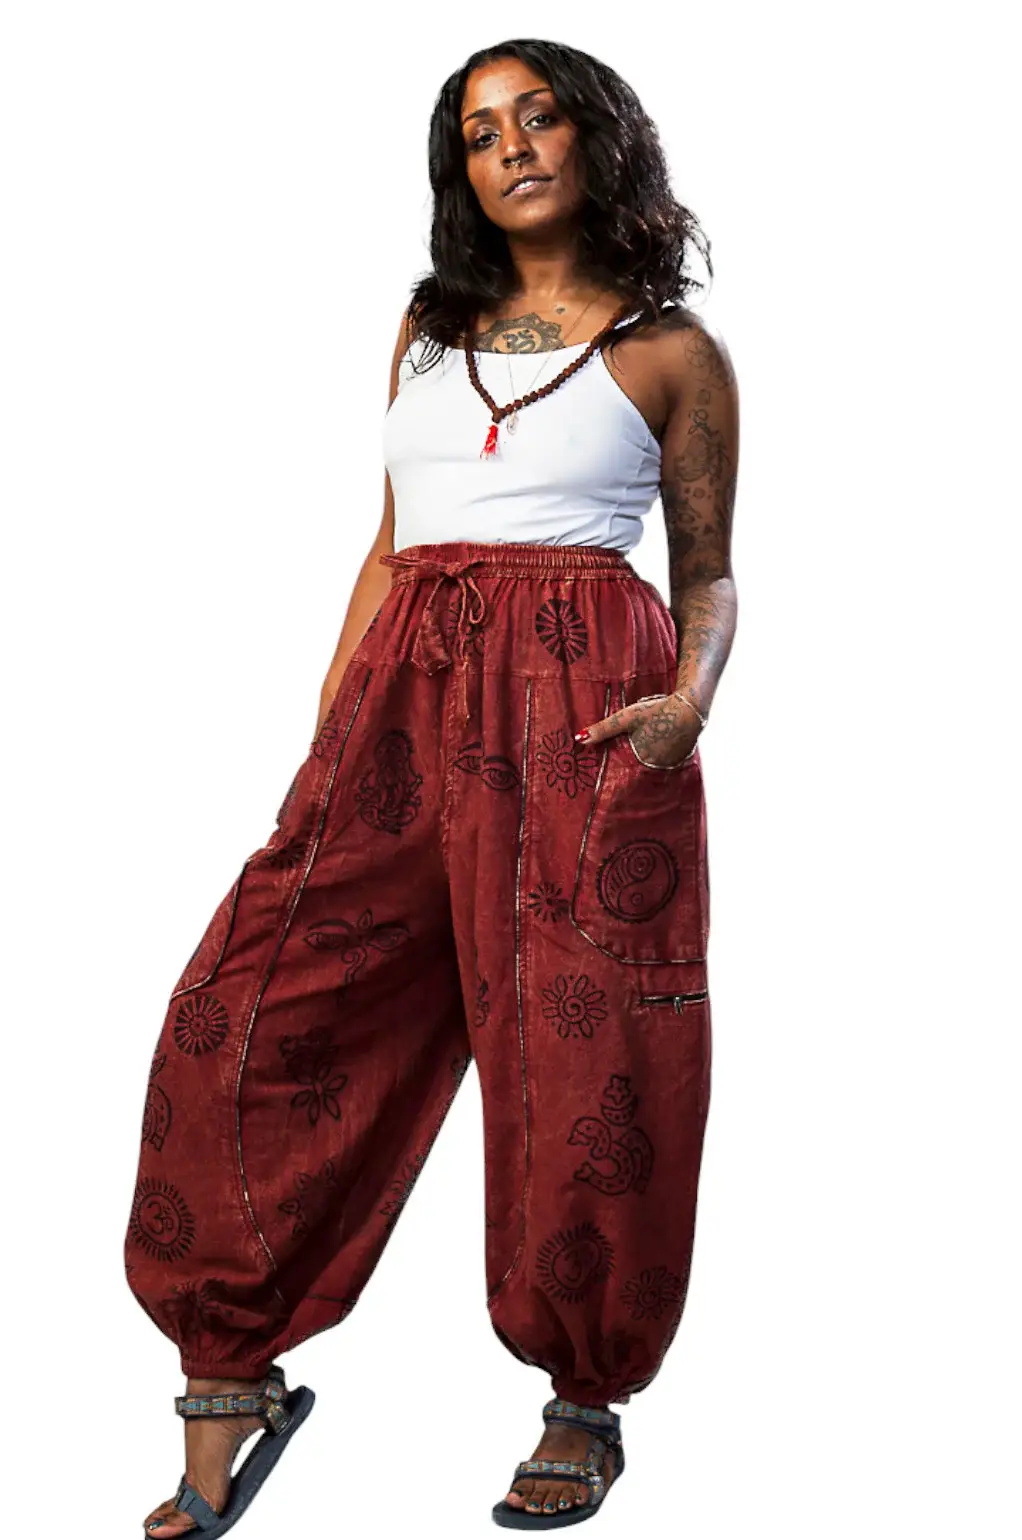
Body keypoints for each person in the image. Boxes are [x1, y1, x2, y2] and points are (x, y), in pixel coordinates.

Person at [128, 36, 739, 1537]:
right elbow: (389, 540)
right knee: (249, 1014)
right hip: (403, 707)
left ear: (598, 138)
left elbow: (710, 578)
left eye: (539, 116)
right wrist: (329, 727)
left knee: (583, 1050)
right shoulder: (425, 327)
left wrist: (684, 706)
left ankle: (582, 1398)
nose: (510, 146)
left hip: (586, 709)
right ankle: (230, 1368)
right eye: (478, 131)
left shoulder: (671, 352)